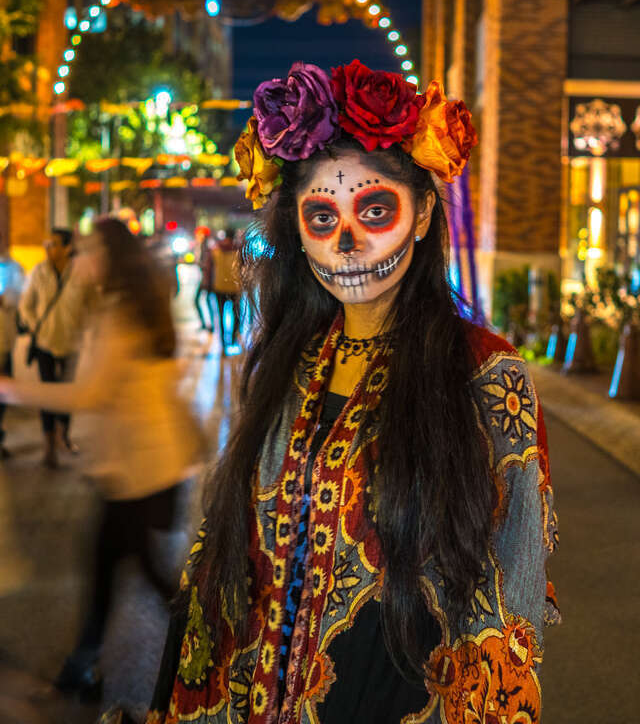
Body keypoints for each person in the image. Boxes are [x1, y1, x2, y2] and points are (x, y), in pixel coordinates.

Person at [145, 61, 559, 724]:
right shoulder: (290, 365)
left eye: (374, 209)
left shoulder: (486, 375)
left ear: (422, 213)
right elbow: (224, 568)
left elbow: (504, 607)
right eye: (321, 215)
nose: (347, 242)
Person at [0, 218, 204, 701]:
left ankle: (206, 635)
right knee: (126, 568)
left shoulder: (119, 314)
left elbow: (90, 393)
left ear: (109, 258)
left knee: (129, 571)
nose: (81, 258)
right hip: (151, 467)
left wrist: (11, 388)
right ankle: (87, 662)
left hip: (136, 472)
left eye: (90, 251)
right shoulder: (136, 303)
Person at [17, 228, 87, 468]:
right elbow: (26, 306)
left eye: (54, 244)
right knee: (47, 392)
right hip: (45, 342)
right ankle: (49, 444)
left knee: (67, 394)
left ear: (67, 247)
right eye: (47, 243)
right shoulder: (39, 271)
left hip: (71, 343)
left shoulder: (80, 272)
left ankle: (63, 436)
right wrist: (36, 327)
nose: (48, 248)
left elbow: (92, 306)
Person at [0, 247, 24, 459]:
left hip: (4, 342)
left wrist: (5, 300)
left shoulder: (12, 269)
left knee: (3, 393)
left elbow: (18, 298)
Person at [212, 229, 241, 353]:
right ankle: (233, 339)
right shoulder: (238, 251)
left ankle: (223, 343)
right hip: (235, 288)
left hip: (219, 287)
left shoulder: (216, 251)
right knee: (237, 315)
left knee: (221, 315)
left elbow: (208, 267)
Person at [194, 227, 216, 332]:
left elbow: (206, 264)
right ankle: (209, 324)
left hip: (206, 279)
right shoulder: (206, 245)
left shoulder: (205, 246)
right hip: (207, 278)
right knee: (206, 301)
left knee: (199, 300)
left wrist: (200, 265)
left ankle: (208, 324)